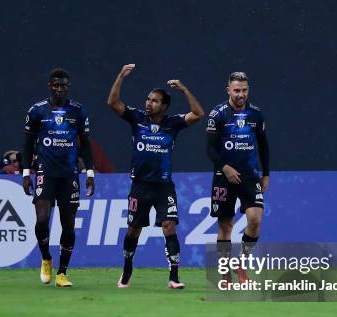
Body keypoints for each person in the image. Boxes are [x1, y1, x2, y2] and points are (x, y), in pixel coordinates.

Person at [107, 64, 204, 289]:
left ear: (164, 106)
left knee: (169, 226)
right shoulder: (137, 118)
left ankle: (174, 277)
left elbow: (199, 113)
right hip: (140, 186)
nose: (148, 103)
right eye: (148, 99)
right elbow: (112, 103)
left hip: (163, 186)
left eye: (154, 100)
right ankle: (127, 269)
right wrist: (120, 76)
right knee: (133, 230)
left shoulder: (173, 124)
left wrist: (184, 89)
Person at [21, 68, 95, 287]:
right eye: (56, 85)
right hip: (45, 172)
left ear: (68, 87)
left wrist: (89, 173)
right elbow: (27, 144)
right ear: (49, 86)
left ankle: (62, 273)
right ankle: (46, 258)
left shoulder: (78, 111)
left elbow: (86, 145)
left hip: (69, 175)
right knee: (42, 220)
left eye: (63, 85)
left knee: (68, 225)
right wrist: (26, 173)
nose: (60, 89)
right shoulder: (37, 111)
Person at [206, 72, 270, 283]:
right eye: (237, 90)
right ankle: (225, 272)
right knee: (226, 226)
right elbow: (210, 149)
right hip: (224, 177)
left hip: (250, 176)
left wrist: (267, 174)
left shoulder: (256, 114)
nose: (241, 94)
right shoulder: (217, 114)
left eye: (244, 90)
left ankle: (242, 264)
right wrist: (225, 167)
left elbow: (263, 146)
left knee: (255, 220)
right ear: (228, 90)